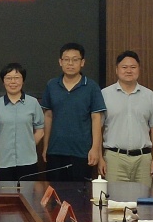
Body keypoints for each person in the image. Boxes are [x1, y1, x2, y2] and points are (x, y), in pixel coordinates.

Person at [40, 43, 106, 181]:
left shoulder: (91, 87)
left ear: (82, 62)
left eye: (75, 60)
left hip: (81, 152)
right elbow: (48, 116)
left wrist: (95, 149)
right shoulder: (52, 85)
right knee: (55, 192)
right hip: (55, 150)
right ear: (60, 62)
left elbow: (96, 119)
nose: (70, 63)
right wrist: (45, 146)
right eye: (66, 59)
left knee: (80, 192)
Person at [101, 51, 153, 186]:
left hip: (143, 160)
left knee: (142, 198)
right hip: (114, 159)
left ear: (139, 69)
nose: (129, 70)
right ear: (116, 70)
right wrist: (100, 157)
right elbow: (96, 128)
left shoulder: (149, 95)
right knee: (115, 198)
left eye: (133, 67)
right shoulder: (104, 95)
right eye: (124, 67)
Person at [0, 63, 45, 181]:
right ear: (3, 81)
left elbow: (40, 130)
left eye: (17, 78)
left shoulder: (33, 103)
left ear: (23, 81)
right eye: (8, 78)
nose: (13, 82)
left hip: (28, 161)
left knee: (28, 192)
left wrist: (29, 145)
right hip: (3, 161)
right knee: (4, 192)